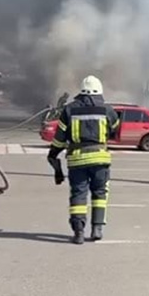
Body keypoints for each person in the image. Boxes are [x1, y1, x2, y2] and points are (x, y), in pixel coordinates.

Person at [47, 75, 120, 245]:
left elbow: (60, 138)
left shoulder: (69, 110)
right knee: (100, 193)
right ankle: (97, 229)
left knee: (78, 194)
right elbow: (115, 130)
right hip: (100, 158)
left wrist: (53, 154)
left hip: (77, 160)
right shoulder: (107, 110)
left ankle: (78, 232)